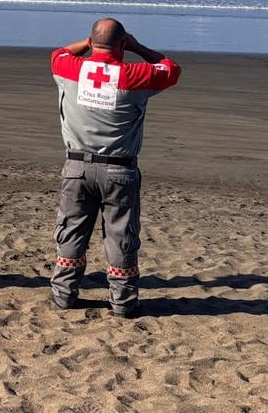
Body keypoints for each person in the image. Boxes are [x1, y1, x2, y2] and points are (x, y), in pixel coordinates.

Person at [48, 18, 180, 317]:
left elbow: (59, 53)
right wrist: (137, 47)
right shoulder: (135, 75)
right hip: (119, 171)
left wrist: (89, 43)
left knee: (71, 231)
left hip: (77, 167)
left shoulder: (70, 68)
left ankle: (64, 294)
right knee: (121, 236)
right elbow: (170, 68)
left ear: (91, 42)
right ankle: (122, 301)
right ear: (122, 43)